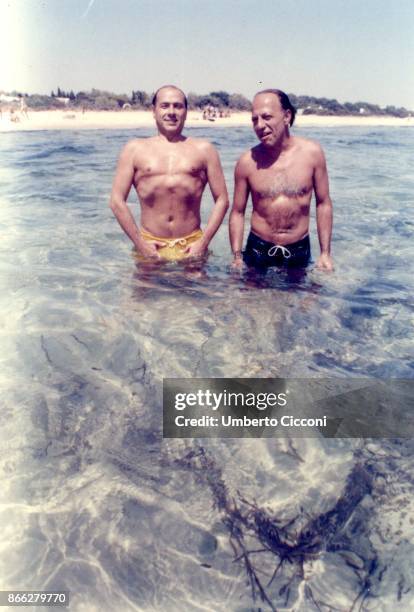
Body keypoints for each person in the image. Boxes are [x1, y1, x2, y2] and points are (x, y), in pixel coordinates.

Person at [110, 85, 229, 261]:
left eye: (178, 106)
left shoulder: (205, 150)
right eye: (165, 106)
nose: (171, 112)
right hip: (149, 244)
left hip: (192, 245)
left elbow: (222, 200)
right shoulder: (134, 149)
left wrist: (203, 243)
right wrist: (140, 244)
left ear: (186, 112)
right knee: (142, 288)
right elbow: (116, 201)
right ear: (154, 111)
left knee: (199, 289)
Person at [229, 89, 333, 271]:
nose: (260, 125)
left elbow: (323, 204)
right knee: (248, 299)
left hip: (298, 250)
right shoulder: (247, 162)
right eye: (255, 119)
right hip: (257, 249)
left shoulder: (312, 154)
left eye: (267, 117)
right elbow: (237, 212)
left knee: (302, 299)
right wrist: (237, 256)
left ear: (286, 116)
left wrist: (325, 253)